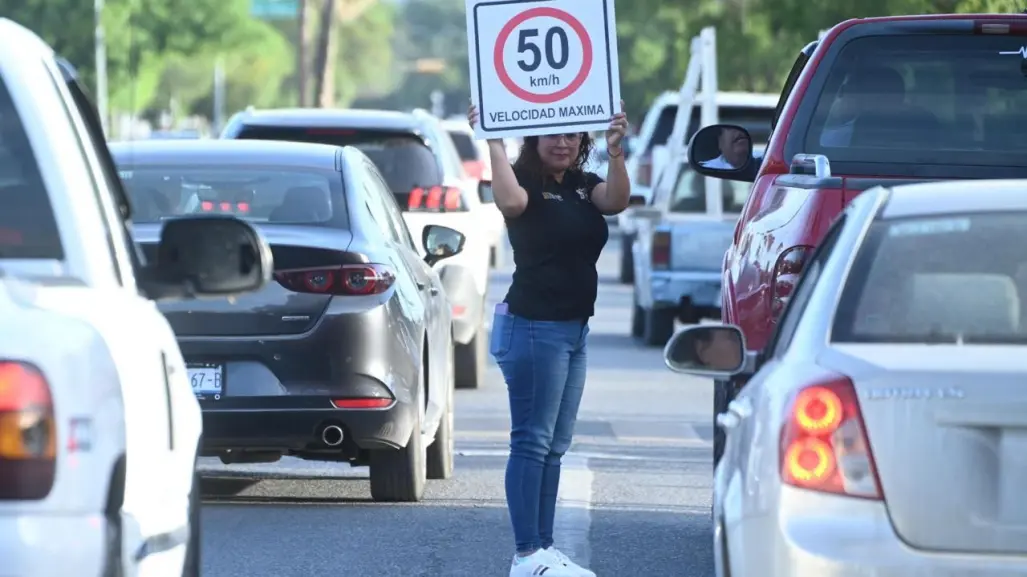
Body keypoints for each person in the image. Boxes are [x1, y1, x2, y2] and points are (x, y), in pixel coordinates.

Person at [468, 102, 630, 577]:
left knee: (555, 445)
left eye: (573, 135)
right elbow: (510, 204)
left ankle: (543, 549)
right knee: (532, 442)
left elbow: (617, 201)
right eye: (552, 135)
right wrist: (492, 138)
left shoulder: (582, 185)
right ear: (533, 139)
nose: (563, 142)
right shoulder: (521, 181)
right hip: (535, 327)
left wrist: (616, 151)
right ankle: (526, 554)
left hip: (574, 328)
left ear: (583, 141)